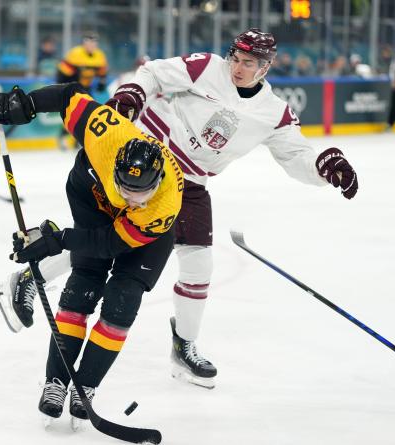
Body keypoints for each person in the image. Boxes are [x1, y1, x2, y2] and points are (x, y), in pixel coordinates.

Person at [106, 28, 359, 388]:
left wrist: (324, 166)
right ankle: (30, 276)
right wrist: (132, 91)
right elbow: (154, 72)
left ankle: (184, 346)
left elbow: (296, 155)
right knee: (111, 241)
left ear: (266, 67)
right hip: (152, 160)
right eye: (236, 59)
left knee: (198, 262)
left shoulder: (273, 113)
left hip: (192, 181)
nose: (238, 68)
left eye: (249, 63)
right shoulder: (207, 67)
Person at [0, 82, 183, 425]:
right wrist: (25, 103)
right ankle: (56, 381)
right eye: (125, 187)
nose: (131, 198)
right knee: (83, 284)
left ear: (157, 180)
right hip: (91, 196)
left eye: (141, 192)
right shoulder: (107, 135)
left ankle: (85, 385)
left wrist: (58, 240)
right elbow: (68, 96)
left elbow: (109, 244)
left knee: (123, 298)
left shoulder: (162, 205)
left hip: (142, 237)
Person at [56, 31, 109, 150]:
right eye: (89, 42)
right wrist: (65, 88)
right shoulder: (75, 54)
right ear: (84, 43)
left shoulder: (99, 55)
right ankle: (63, 137)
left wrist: (102, 82)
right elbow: (62, 73)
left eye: (94, 43)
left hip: (87, 87)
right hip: (72, 87)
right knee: (72, 113)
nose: (92, 45)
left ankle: (78, 140)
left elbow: (103, 72)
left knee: (87, 114)